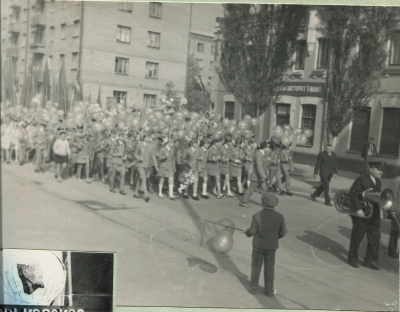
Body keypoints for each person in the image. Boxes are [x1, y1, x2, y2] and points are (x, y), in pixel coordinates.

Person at [245, 192, 287, 296]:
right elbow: (283, 232)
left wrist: (247, 232)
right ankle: (269, 291)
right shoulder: (279, 217)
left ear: (263, 203)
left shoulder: (257, 215)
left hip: (258, 246)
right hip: (271, 246)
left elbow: (253, 231)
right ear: (275, 204)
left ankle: (253, 289)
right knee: (269, 268)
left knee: (256, 267)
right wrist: (274, 238)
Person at [347, 162, 386, 270]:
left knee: (375, 238)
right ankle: (353, 259)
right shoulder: (362, 179)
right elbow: (353, 194)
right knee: (357, 237)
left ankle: (370, 260)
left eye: (382, 170)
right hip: (362, 213)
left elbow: (377, 198)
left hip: (373, 214)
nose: (381, 172)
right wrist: (359, 209)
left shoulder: (378, 182)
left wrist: (381, 210)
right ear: (371, 169)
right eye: (379, 169)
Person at [239, 141, 270, 208]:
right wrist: (264, 176)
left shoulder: (263, 154)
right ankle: (244, 202)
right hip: (257, 175)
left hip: (260, 176)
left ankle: (266, 203)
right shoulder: (258, 154)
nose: (268, 148)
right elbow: (259, 166)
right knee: (251, 188)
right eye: (268, 147)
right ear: (265, 148)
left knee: (264, 189)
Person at [134, 135, 158, 202]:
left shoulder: (151, 146)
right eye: (147, 137)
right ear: (144, 138)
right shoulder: (139, 145)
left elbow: (153, 156)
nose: (148, 138)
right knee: (144, 179)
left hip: (147, 165)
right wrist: (139, 158)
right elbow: (135, 154)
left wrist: (156, 166)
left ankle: (135, 192)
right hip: (140, 165)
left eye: (149, 137)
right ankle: (146, 195)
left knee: (140, 178)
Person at [387, 173, 400, 258]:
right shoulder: (397, 180)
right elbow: (393, 196)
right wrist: (393, 209)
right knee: (396, 230)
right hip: (398, 209)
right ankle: (392, 249)